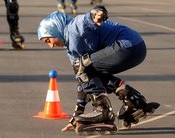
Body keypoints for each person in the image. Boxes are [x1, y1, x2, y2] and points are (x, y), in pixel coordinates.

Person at [37, 6, 160, 134]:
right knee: (90, 72)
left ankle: (103, 111)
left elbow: (86, 20)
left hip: (127, 45)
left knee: (82, 66)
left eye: (48, 40)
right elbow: (83, 80)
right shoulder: (71, 50)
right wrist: (76, 115)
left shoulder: (73, 27)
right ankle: (132, 99)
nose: (50, 45)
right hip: (137, 48)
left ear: (55, 28)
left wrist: (96, 13)